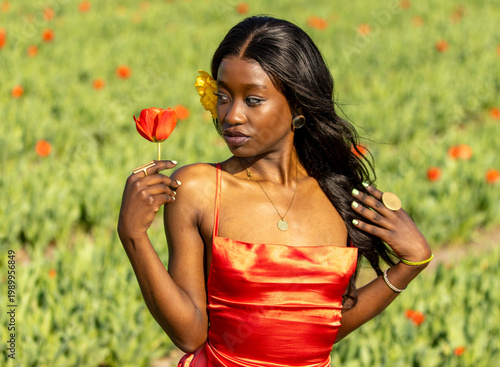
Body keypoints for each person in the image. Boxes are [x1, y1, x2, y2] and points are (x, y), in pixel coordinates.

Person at [117, 16, 432, 367]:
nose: (231, 115)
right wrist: (134, 237)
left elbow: (322, 327)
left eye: (253, 100)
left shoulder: (339, 196)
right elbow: (189, 334)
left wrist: (411, 263)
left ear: (298, 106)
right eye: (223, 96)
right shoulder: (200, 189)